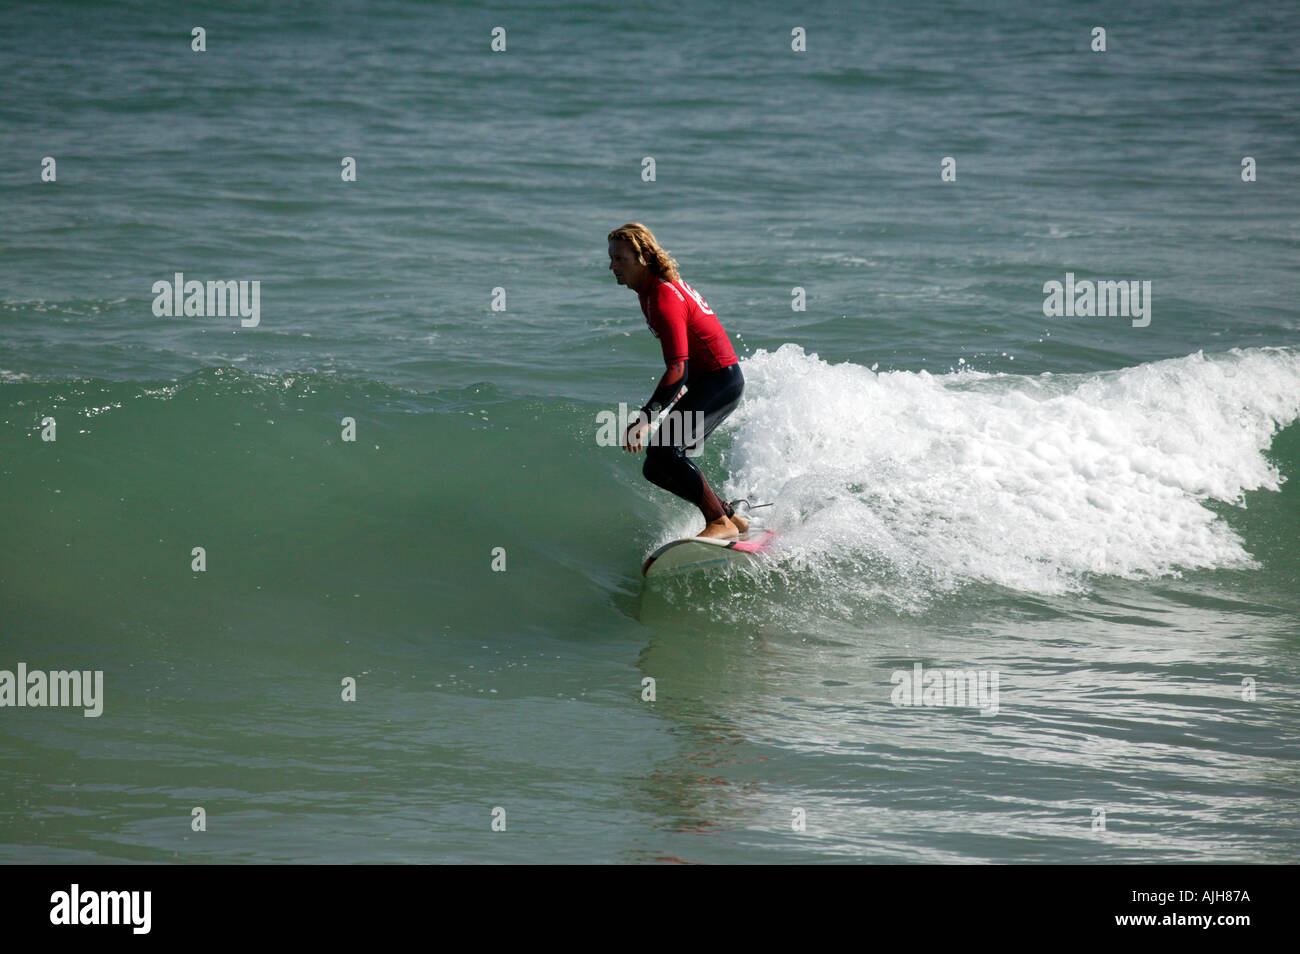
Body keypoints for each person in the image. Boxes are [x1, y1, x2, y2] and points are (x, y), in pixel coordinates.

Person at [607, 222, 749, 540]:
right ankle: (730, 517)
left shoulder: (662, 296)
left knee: (666, 450)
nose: (612, 266)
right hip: (709, 381)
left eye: (620, 259)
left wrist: (645, 417)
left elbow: (677, 369)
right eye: (611, 258)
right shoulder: (651, 290)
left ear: (642, 257)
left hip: (719, 381)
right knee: (656, 465)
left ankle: (719, 523)